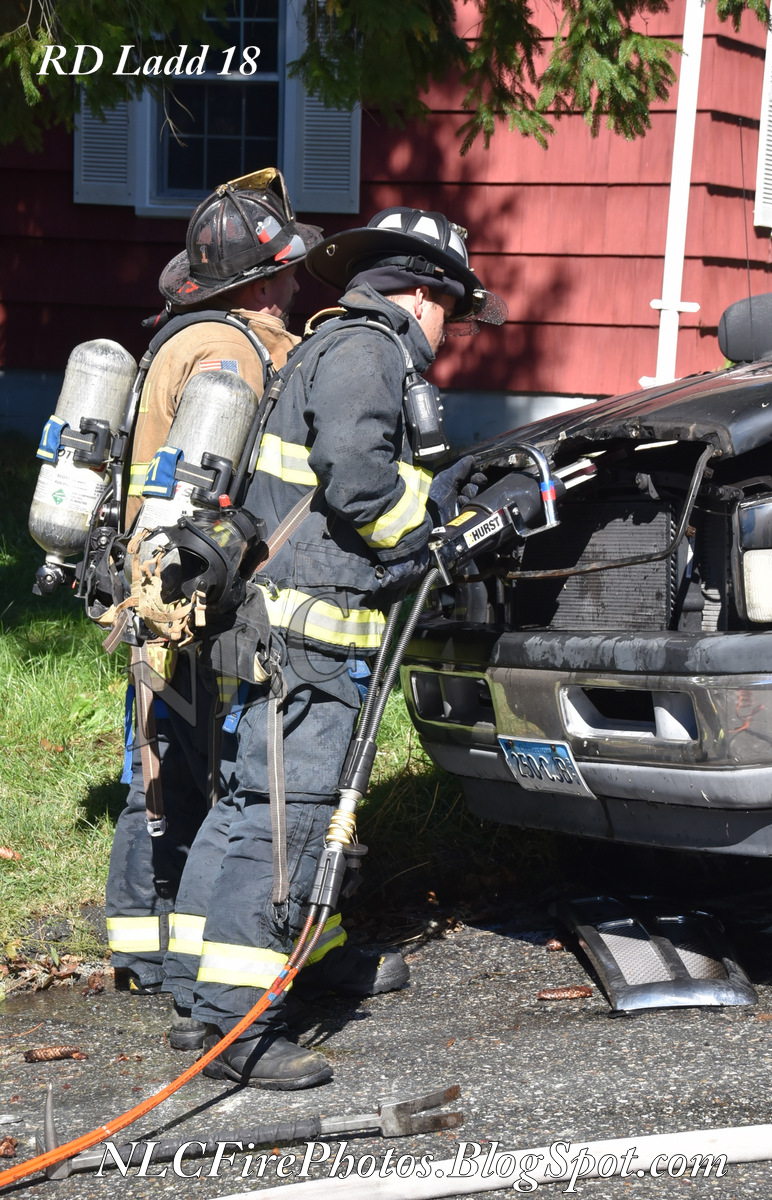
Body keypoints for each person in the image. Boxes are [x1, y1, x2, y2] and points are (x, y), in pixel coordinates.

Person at [160, 206, 507, 1090]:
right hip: (310, 642)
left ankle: (195, 990)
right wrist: (434, 541)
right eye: (452, 313)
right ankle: (237, 1029)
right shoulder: (368, 352)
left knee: (247, 809)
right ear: (423, 294)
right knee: (289, 823)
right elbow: (358, 483)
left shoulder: (330, 342)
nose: (450, 334)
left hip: (284, 633)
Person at [105, 169, 320, 998]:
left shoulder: (179, 335)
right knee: (210, 773)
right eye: (286, 271)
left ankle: (146, 951)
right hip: (196, 594)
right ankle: (196, 958)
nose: (296, 283)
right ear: (260, 282)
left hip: (151, 580)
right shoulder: (232, 352)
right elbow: (220, 495)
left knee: (153, 764)